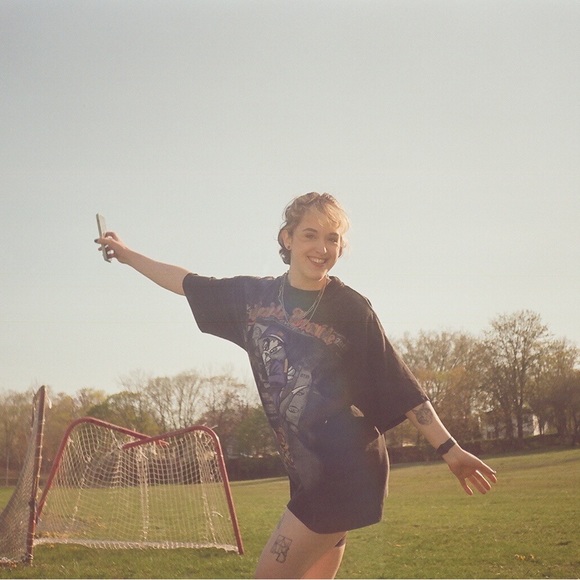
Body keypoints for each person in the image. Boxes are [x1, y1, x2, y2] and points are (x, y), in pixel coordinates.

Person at [95, 192, 497, 579]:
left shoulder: (350, 308)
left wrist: (450, 449)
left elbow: (399, 381)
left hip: (346, 469)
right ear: (287, 238)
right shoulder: (252, 299)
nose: (321, 248)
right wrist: (126, 254)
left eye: (332, 238)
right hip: (307, 470)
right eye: (310, 234)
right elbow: (186, 282)